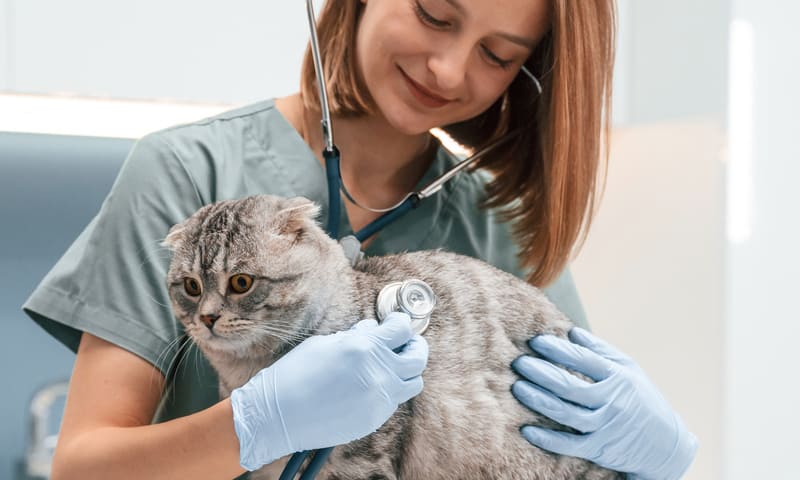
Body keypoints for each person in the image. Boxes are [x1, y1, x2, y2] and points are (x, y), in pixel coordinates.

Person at [22, 0, 697, 479]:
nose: (448, 70)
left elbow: (570, 446)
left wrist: (662, 460)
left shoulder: (492, 221)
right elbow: (85, 469)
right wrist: (258, 423)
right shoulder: (188, 173)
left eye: (498, 56)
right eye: (435, 14)